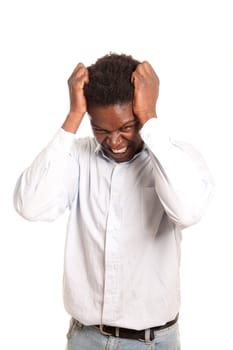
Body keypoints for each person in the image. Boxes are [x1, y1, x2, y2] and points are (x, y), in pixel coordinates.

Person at [14, 53, 214, 350]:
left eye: (126, 127)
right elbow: (30, 206)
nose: (115, 141)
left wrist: (149, 118)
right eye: (101, 130)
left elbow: (188, 211)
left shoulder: (177, 159)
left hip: (152, 343)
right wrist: (73, 118)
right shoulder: (78, 157)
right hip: (85, 338)